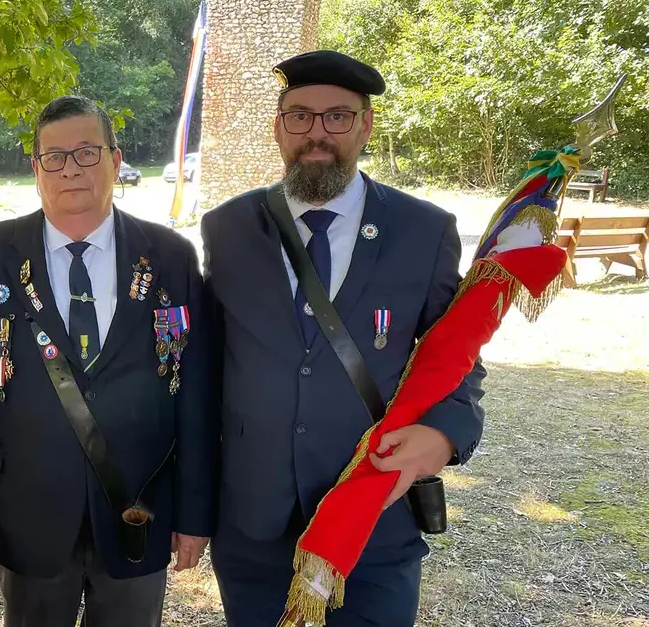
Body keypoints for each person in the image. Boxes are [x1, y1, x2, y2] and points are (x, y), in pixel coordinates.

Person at [200, 50, 486, 626]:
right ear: (279, 127)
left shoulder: (424, 230)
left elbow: (457, 356)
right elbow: (208, 365)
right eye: (300, 116)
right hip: (254, 529)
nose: (317, 134)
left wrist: (445, 435)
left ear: (365, 125)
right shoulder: (228, 228)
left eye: (337, 117)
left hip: (371, 520)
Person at [0, 94, 218, 627]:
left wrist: (194, 512)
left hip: (139, 508)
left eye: (86, 152)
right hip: (27, 512)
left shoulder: (171, 256)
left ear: (116, 160)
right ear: (37, 169)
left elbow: (194, 391)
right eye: (54, 157)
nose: (71, 169)